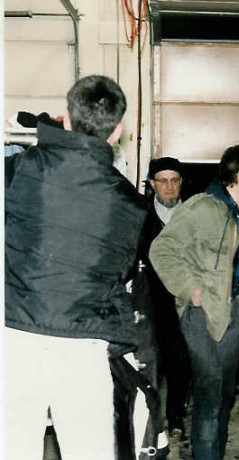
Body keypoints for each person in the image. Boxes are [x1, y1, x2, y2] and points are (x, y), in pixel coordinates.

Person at [4, 75, 147, 459]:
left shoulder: (16, 172)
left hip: (16, 338)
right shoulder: (130, 205)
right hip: (83, 348)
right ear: (118, 131)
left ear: (65, 118)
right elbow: (122, 275)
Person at [149, 144, 239, 460]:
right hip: (201, 314)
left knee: (223, 394)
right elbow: (161, 250)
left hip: (230, 312)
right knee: (209, 391)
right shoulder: (203, 208)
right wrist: (192, 290)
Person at [140, 157, 192, 437]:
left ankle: (175, 417)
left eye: (174, 180)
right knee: (151, 360)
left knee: (180, 359)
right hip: (152, 300)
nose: (169, 187)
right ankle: (150, 420)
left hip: (185, 299)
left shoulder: (194, 215)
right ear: (152, 184)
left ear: (181, 183)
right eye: (163, 181)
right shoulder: (142, 217)